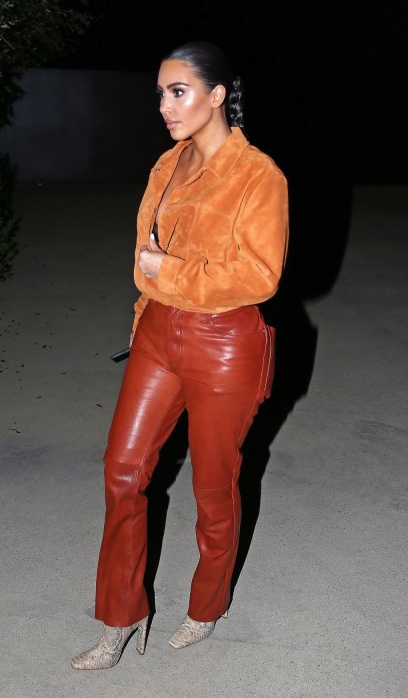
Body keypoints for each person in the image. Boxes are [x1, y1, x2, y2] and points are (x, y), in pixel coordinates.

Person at [70, 41, 289, 670]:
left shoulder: (259, 175)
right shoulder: (166, 165)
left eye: (179, 91)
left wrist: (170, 270)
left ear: (217, 95)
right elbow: (146, 256)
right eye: (161, 94)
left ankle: (207, 605)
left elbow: (260, 276)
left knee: (213, 486)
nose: (165, 106)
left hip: (225, 345)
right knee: (122, 471)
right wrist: (151, 298)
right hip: (159, 333)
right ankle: (122, 616)